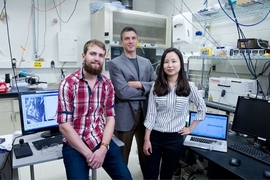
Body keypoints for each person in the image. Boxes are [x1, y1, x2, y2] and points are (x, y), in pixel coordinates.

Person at [57, 39, 132, 180]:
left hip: (99, 139)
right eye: (93, 54)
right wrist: (89, 154)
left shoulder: (107, 84)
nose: (97, 59)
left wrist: (103, 148)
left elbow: (110, 119)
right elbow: (64, 126)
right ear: (83, 56)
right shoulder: (68, 83)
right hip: (74, 144)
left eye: (101, 55)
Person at [143, 47, 207, 180]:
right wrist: (146, 139)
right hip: (155, 136)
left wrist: (190, 128)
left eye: (174, 61)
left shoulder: (189, 87)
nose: (170, 65)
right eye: (166, 62)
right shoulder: (156, 86)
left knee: (167, 174)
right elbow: (151, 115)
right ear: (162, 65)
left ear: (180, 64)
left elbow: (202, 108)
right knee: (150, 174)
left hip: (174, 138)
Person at [108, 26, 157, 178]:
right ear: (121, 42)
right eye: (127, 38)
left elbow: (156, 84)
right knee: (122, 157)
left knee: (147, 153)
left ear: (137, 41)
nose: (130, 41)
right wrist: (147, 92)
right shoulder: (115, 63)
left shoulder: (146, 62)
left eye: (133, 38)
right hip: (125, 117)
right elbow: (122, 92)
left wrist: (140, 85)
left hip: (146, 116)